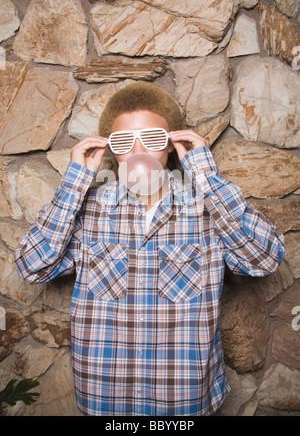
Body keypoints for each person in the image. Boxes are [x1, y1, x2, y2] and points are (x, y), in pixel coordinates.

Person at [14, 82, 285, 416]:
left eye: (153, 138)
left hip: (184, 400)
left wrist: (207, 176)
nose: (139, 150)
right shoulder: (87, 211)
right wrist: (74, 183)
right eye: (124, 141)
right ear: (110, 150)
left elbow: (264, 259)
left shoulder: (209, 209)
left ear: (172, 145)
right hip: (105, 397)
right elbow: (32, 266)